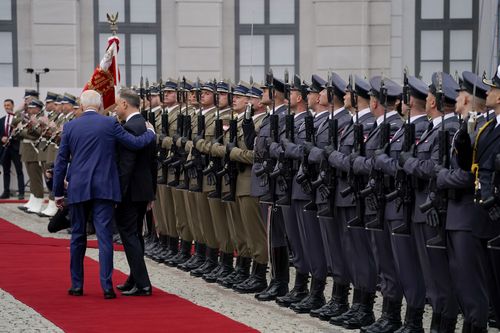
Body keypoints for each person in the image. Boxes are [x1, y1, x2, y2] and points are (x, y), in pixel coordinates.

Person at [52, 90, 156, 299]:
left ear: (81, 106)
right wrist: (150, 134)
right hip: (104, 189)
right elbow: (134, 143)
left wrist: (57, 193)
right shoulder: (110, 124)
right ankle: (106, 287)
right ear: (100, 106)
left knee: (78, 237)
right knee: (104, 238)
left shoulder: (70, 126)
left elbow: (61, 161)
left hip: (78, 188)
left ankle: (77, 285)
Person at [113, 88, 156, 296]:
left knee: (129, 236)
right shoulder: (146, 126)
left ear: (124, 104)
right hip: (142, 191)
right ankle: (134, 278)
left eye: (117, 104)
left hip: (129, 192)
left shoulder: (129, 128)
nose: (115, 108)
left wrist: (117, 194)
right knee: (136, 235)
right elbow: (152, 164)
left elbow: (126, 167)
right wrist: (151, 193)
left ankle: (143, 283)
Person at [0, 99, 25, 199]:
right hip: (4, 149)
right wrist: (2, 138)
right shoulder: (1, 120)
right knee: (6, 171)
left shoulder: (18, 118)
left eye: (8, 105)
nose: (7, 107)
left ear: (13, 106)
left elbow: (23, 133)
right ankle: (6, 192)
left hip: (15, 148)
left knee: (19, 170)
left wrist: (15, 134)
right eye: (5, 105)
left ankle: (21, 193)